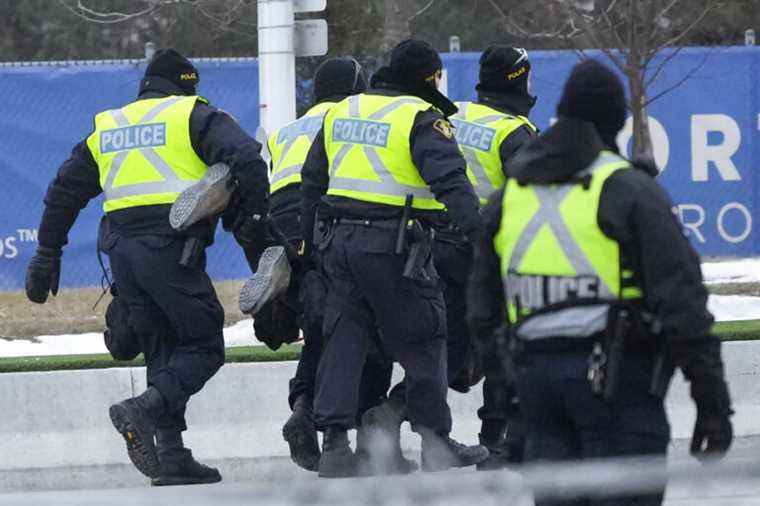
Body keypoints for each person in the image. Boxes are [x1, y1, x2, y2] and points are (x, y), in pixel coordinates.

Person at [467, 59, 733, 505]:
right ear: (616, 122)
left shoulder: (509, 195)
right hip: (619, 389)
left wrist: (510, 398)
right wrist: (712, 403)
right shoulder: (629, 190)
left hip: (538, 393)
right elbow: (683, 303)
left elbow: (480, 311)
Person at [25, 49, 270, 486]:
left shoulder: (110, 126)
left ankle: (171, 455)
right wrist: (252, 219)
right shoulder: (192, 115)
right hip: (170, 247)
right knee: (204, 343)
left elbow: (64, 189)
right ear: (186, 85)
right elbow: (248, 159)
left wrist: (47, 253)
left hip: (121, 254)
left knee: (162, 345)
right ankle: (144, 409)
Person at [301, 38, 489, 478]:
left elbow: (313, 181)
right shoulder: (422, 119)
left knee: (344, 340)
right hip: (397, 247)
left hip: (339, 245)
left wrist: (310, 249)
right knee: (426, 338)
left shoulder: (343, 111)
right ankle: (436, 444)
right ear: (428, 78)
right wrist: (482, 241)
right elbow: (452, 185)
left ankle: (334, 446)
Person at [240, 56, 380, 472]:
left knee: (320, 326)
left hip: (282, 218)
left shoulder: (288, 130)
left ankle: (303, 408)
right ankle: (357, 435)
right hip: (325, 213)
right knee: (356, 322)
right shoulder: (352, 117)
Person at [452, 46, 538, 470]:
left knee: (442, 347)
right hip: (491, 252)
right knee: (502, 345)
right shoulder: (515, 132)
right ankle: (495, 439)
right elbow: (528, 194)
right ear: (519, 79)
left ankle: (397, 416)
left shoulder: (456, 115)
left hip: (439, 247)